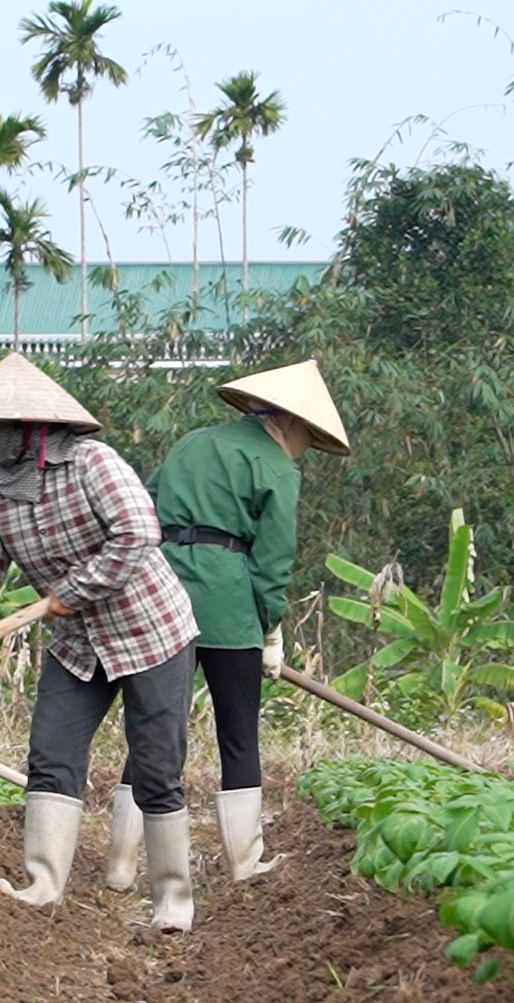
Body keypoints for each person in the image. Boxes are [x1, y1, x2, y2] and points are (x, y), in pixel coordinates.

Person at [0, 353, 202, 932]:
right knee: (51, 755)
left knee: (158, 767)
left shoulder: (92, 464)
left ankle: (172, 903)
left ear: (28, 428)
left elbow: (139, 531)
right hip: (77, 646)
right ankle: (42, 887)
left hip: (150, 632)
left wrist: (75, 590)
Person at [105, 359, 349, 890]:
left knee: (154, 730)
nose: (306, 447)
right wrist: (271, 630)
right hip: (228, 603)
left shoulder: (191, 443)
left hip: (161, 591)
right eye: (308, 436)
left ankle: (121, 865)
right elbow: (273, 561)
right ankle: (244, 861)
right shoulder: (278, 468)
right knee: (238, 732)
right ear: (287, 422)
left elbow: (140, 508)